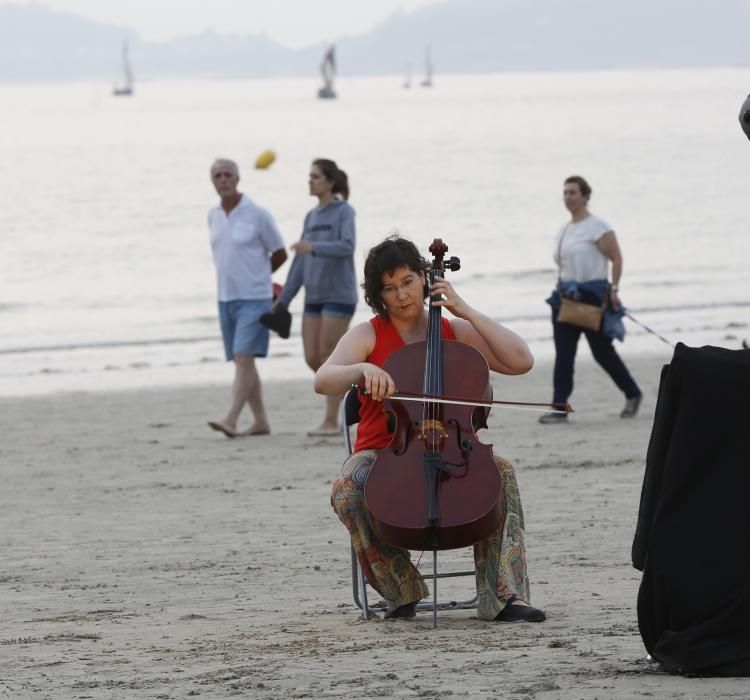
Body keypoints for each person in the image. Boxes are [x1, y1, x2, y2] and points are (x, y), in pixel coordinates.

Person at [315, 235, 545, 622]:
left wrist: (466, 310)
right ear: (378, 295)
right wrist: (363, 368)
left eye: (407, 281)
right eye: (389, 288)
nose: (401, 294)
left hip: (455, 450)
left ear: (425, 277)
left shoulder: (454, 330)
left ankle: (502, 595)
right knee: (347, 492)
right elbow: (324, 379)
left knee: (501, 473)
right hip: (384, 453)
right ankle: (402, 590)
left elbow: (521, 361)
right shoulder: (369, 334)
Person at [538, 175, 642, 425]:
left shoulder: (598, 226)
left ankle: (633, 393)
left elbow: (616, 258)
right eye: (565, 192)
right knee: (564, 355)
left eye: (573, 192)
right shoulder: (564, 230)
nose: (568, 197)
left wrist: (614, 289)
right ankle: (559, 408)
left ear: (585, 196)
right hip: (564, 299)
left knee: (602, 353)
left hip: (592, 299)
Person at [274, 159, 357, 436]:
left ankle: (333, 422)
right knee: (313, 358)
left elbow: (347, 246)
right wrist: (283, 299)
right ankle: (354, 395)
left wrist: (313, 246)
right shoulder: (310, 217)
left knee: (327, 356)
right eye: (309, 176)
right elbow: (299, 262)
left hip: (339, 294)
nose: (310, 181)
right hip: (313, 296)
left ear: (330, 182)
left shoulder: (344, 211)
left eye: (315, 176)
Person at [206, 157, 287, 438]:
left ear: (238, 179)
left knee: (243, 357)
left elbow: (280, 252)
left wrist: (260, 276)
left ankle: (231, 418)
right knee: (244, 361)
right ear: (212, 181)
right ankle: (261, 421)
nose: (223, 179)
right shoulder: (213, 214)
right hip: (225, 298)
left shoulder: (257, 213)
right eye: (218, 175)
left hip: (255, 297)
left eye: (228, 174)